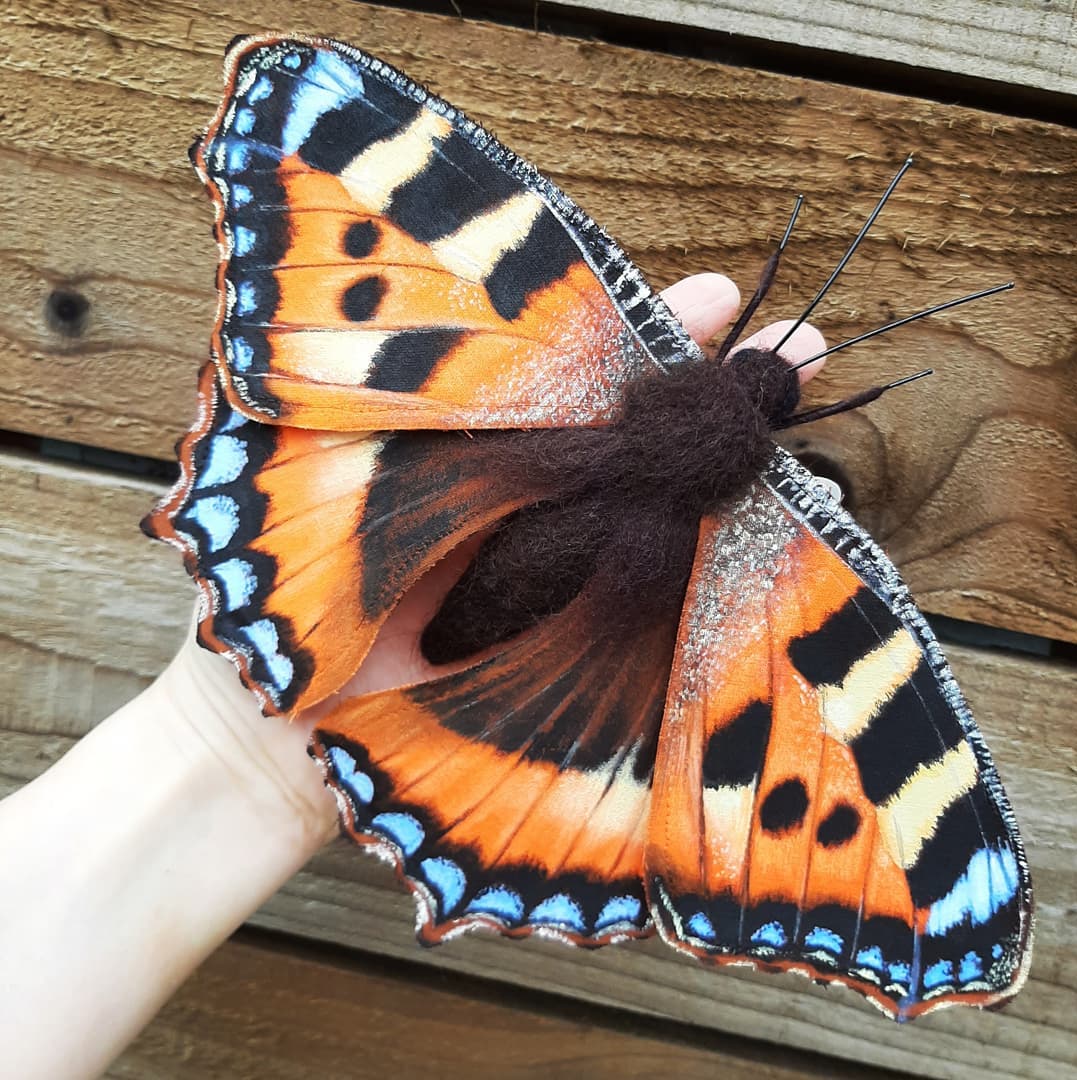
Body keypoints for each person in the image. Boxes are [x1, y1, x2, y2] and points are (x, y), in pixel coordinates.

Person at [0, 272, 825, 1079]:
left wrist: (218, 749)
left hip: (389, 525)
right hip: (562, 706)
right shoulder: (805, 576)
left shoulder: (599, 348)